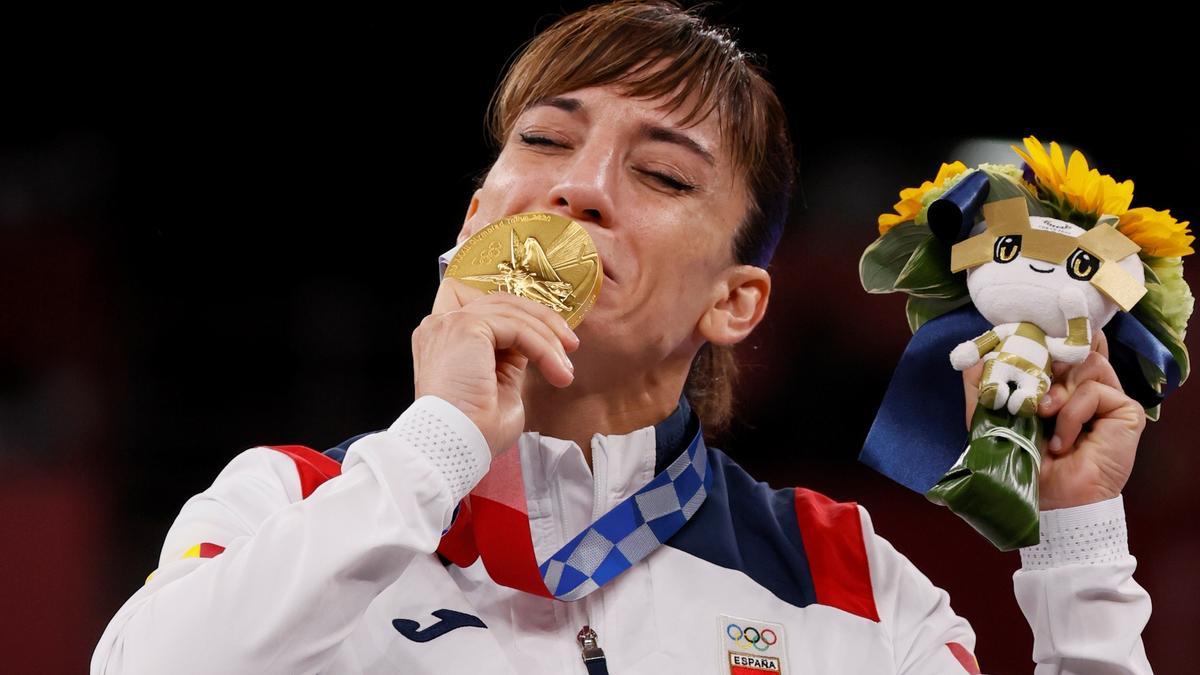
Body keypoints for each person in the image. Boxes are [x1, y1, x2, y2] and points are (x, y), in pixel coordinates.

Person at [90, 1, 1153, 673]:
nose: (581, 188)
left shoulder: (849, 582)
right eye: (546, 139)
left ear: (735, 304)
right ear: (474, 222)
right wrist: (435, 448)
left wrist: (1081, 544)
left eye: (662, 175)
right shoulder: (290, 503)